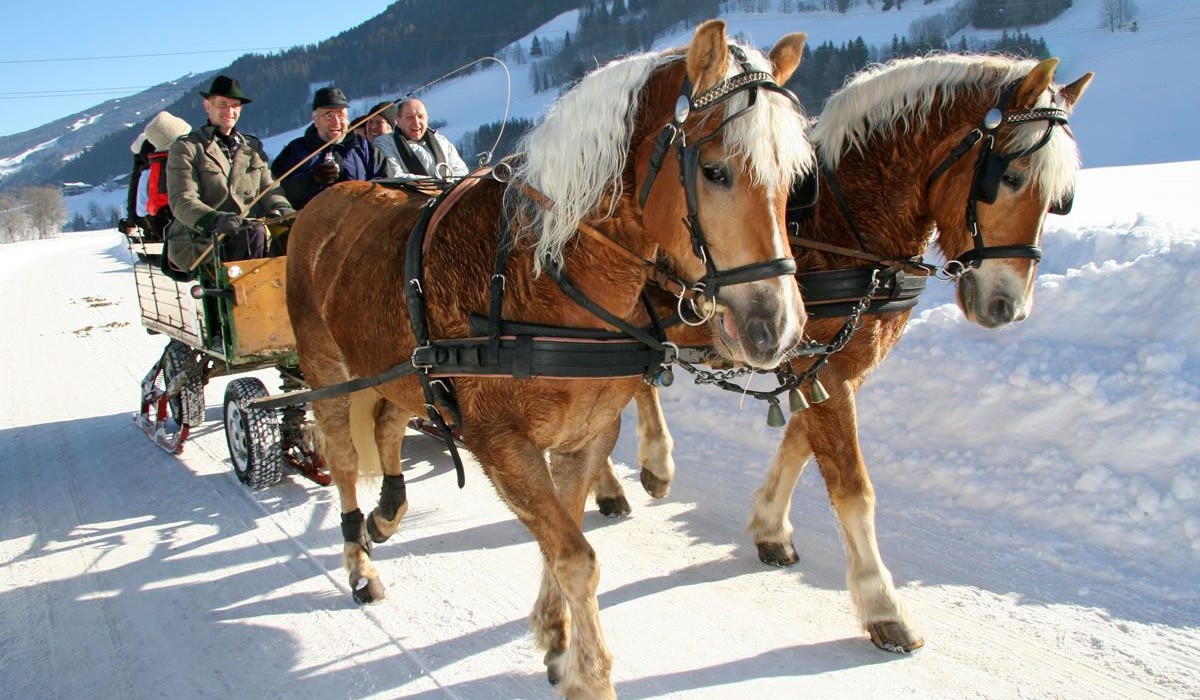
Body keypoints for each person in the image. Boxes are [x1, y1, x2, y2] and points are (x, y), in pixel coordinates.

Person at [164, 75, 292, 274]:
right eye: (223, 104)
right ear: (207, 106)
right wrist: (214, 220)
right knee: (251, 234)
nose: (229, 111)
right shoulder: (186, 147)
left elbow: (269, 188)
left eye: (235, 105)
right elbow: (182, 199)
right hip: (204, 240)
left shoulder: (251, 147)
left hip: (250, 234)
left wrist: (282, 208)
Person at [270, 86, 386, 209]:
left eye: (341, 114)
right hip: (311, 222)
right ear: (315, 119)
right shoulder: (296, 150)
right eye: (328, 115)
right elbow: (278, 191)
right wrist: (312, 179)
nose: (336, 122)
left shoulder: (363, 147)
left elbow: (384, 180)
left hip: (358, 220)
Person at [376, 98, 469, 181]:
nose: (416, 122)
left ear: (427, 119)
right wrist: (437, 182)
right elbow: (395, 176)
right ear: (398, 121)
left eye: (420, 117)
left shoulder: (442, 142)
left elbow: (462, 171)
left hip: (448, 197)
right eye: (410, 117)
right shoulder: (385, 143)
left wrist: (446, 184)